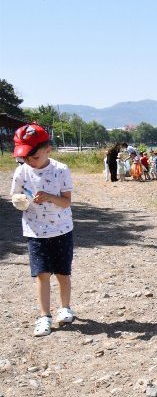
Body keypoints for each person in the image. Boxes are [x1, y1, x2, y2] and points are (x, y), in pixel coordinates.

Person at [9, 124, 76, 337]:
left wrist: (48, 197)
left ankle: (65, 308)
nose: (30, 161)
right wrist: (20, 201)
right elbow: (15, 197)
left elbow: (66, 202)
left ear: (48, 149)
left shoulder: (61, 170)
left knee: (63, 273)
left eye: (34, 157)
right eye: (25, 157)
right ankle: (44, 315)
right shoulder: (21, 172)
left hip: (62, 230)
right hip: (35, 232)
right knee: (42, 274)